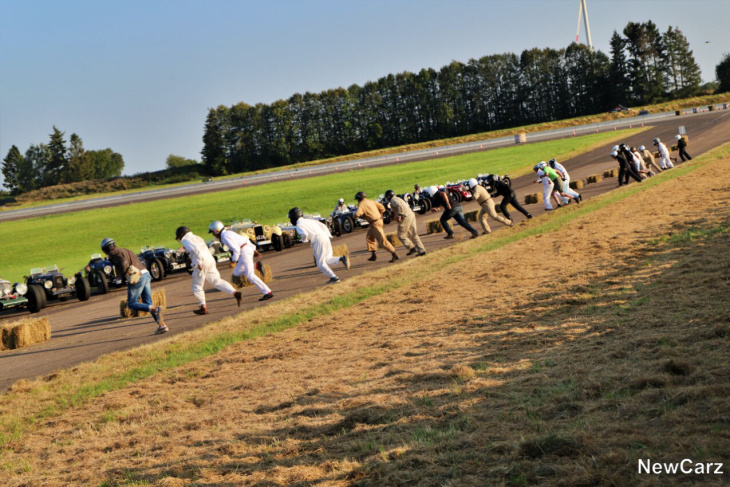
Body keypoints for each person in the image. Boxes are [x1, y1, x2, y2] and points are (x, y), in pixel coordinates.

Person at [101, 237, 167, 335]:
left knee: (131, 303)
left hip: (137, 276)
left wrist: (125, 274)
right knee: (147, 302)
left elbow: (123, 263)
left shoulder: (112, 254)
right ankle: (162, 325)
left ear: (105, 249)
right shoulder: (124, 249)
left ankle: (156, 309)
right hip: (145, 273)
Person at [176, 226, 241, 315]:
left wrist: (199, 263)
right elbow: (199, 248)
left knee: (197, 286)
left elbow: (197, 250)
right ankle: (234, 292)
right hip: (210, 260)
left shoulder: (186, 240)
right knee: (216, 281)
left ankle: (203, 307)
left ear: (181, 235)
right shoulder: (197, 237)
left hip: (202, 262)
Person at [208, 221, 273, 302]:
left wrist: (234, 261)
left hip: (244, 251)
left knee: (250, 276)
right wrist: (254, 250)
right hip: (245, 250)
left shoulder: (225, 236)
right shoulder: (227, 233)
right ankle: (255, 266)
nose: (213, 235)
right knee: (236, 273)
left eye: (213, 232)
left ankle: (268, 292)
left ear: (217, 230)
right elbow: (245, 239)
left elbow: (236, 249)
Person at [288, 207, 350, 283]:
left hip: (318, 240)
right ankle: (342, 258)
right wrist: (328, 235)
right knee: (327, 259)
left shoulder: (299, 225)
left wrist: (304, 240)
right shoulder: (309, 220)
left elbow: (304, 234)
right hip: (325, 236)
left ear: (294, 217)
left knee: (320, 264)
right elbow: (323, 226)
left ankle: (334, 278)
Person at [354, 191, 400, 262]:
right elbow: (382, 207)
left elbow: (357, 214)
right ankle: (373, 254)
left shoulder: (361, 204)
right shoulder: (371, 201)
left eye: (357, 199)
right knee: (369, 237)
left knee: (382, 241)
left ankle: (394, 254)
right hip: (377, 221)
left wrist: (354, 216)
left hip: (375, 223)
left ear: (359, 198)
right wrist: (380, 215)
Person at [385, 190, 426, 256]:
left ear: (388, 197)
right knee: (413, 234)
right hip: (411, 214)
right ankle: (421, 250)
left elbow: (399, 206)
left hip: (405, 216)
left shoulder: (393, 200)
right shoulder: (397, 198)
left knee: (401, 235)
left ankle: (411, 248)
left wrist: (399, 215)